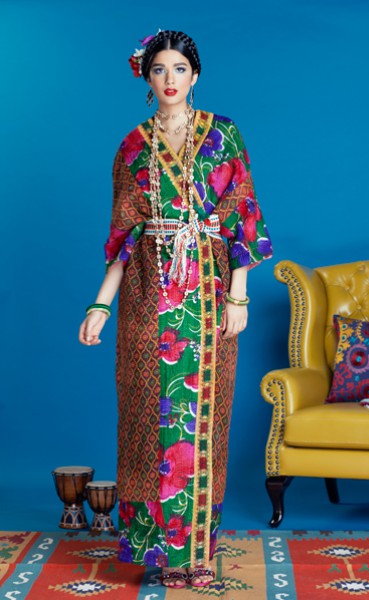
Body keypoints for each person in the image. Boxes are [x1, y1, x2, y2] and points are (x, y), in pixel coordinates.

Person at [79, 29, 272, 589]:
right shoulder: (132, 147)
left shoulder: (223, 134)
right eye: (159, 69)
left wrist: (239, 294)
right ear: (146, 77)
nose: (170, 79)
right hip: (147, 295)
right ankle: (158, 550)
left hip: (208, 294)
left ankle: (197, 552)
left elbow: (242, 214)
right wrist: (100, 306)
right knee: (148, 419)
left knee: (203, 420)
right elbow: (122, 238)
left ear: (195, 75)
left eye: (179, 69)